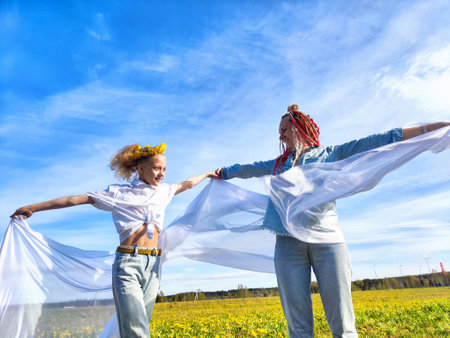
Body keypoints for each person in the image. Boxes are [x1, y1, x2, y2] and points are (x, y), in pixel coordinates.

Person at [216, 104, 450, 337]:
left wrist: (428, 130)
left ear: (298, 128)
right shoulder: (278, 164)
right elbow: (247, 169)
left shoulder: (330, 154)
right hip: (288, 244)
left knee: (343, 324)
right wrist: (221, 173)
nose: (280, 135)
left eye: (284, 130)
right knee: (297, 327)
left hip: (327, 241)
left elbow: (377, 141)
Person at [11, 142, 219, 338]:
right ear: (140, 168)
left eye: (164, 169)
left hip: (154, 266)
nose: (161, 173)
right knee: (136, 330)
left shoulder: (164, 192)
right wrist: (34, 207)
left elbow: (188, 184)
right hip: (128, 265)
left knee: (140, 325)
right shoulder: (119, 194)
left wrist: (208, 173)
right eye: (156, 168)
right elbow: (75, 200)